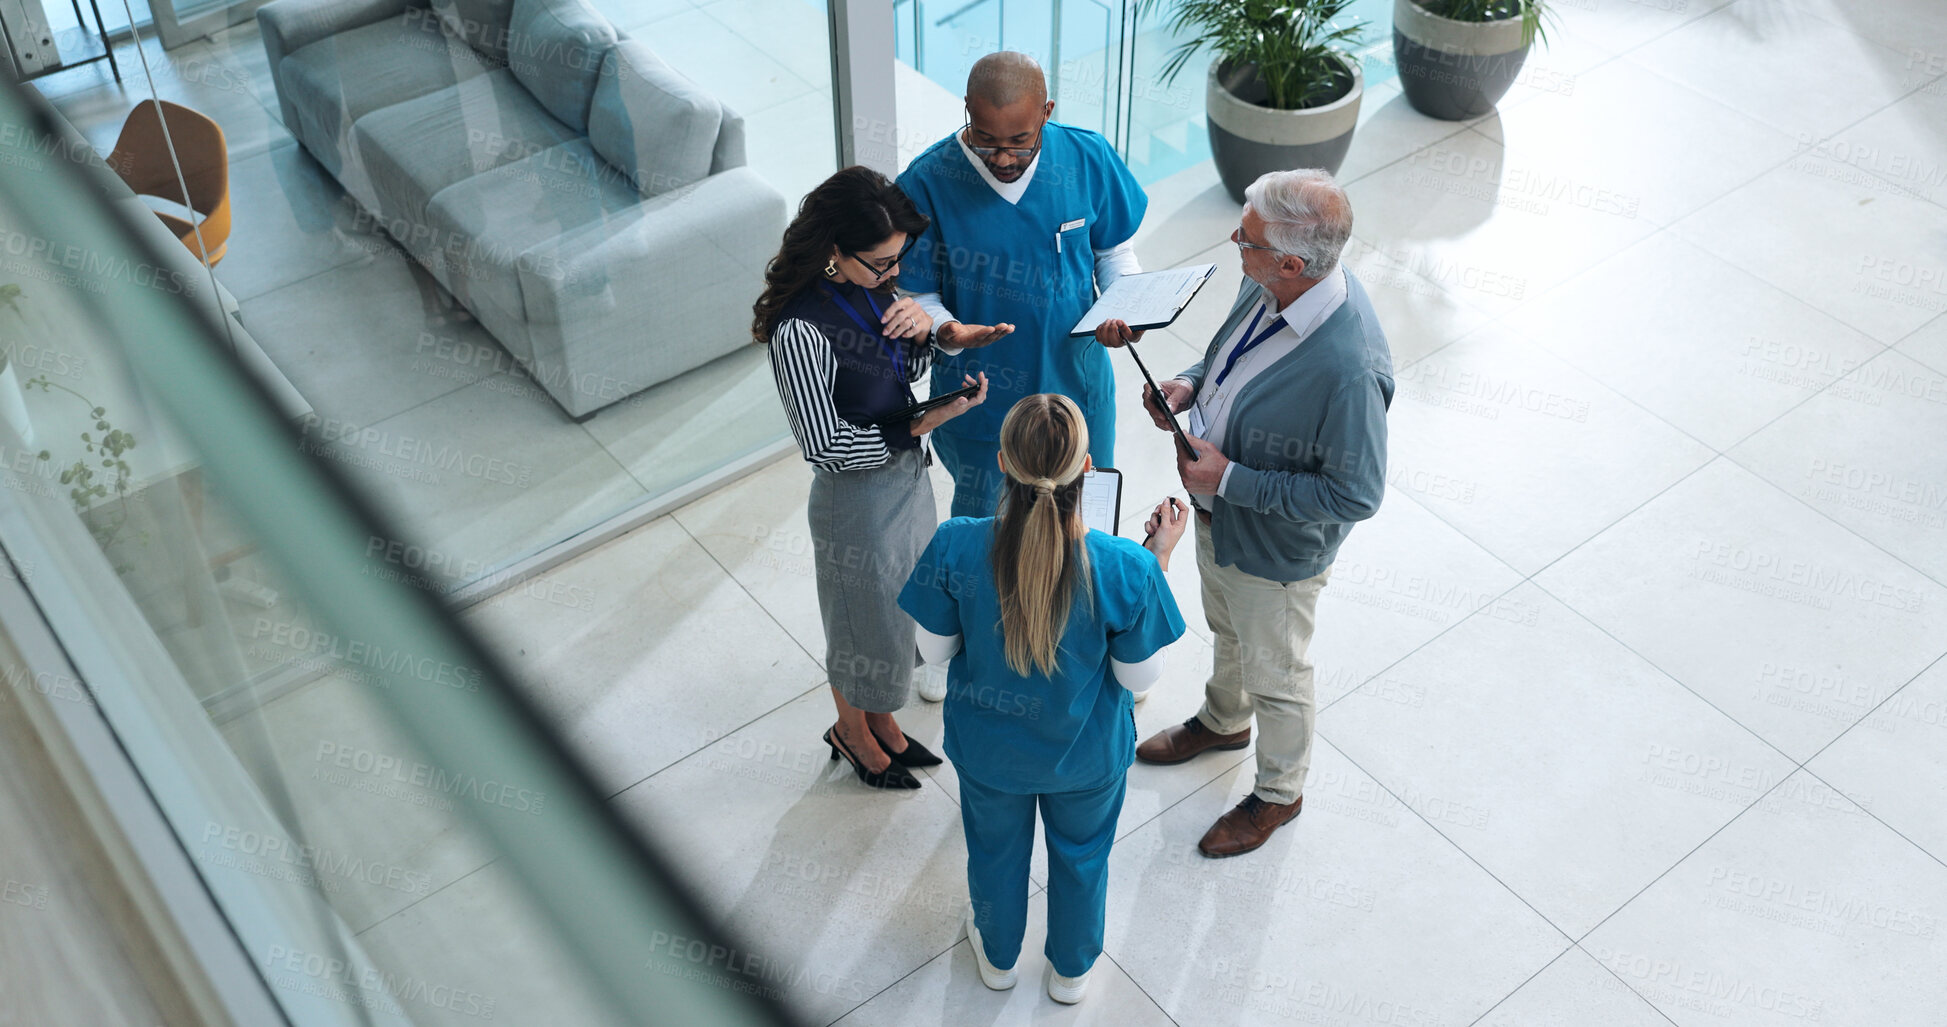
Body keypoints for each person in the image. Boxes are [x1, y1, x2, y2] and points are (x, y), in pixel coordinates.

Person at [1132, 169, 1394, 858]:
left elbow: (1356, 494)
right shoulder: (1269, 280)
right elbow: (1230, 359)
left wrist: (1234, 479)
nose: (1230, 240)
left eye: (1242, 236)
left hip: (1274, 555)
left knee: (1276, 676)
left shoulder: (1347, 369)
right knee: (1227, 632)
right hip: (1218, 521)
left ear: (1288, 260)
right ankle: (1222, 721)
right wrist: (1188, 385)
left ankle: (1280, 793)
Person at [898, 394, 1188, 1003]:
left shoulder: (955, 544)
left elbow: (934, 652)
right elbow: (1138, 681)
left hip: (990, 754)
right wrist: (1157, 558)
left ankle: (998, 957)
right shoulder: (1127, 566)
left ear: (1002, 463)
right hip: (1085, 759)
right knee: (1083, 856)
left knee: (994, 849)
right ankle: (1072, 972)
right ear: (1087, 471)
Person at [753, 166, 990, 790]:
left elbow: (897, 370)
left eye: (897, 262)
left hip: (906, 477)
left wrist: (925, 333)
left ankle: (882, 720)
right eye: (882, 263)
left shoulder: (868, 289)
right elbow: (825, 445)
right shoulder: (799, 329)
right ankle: (851, 732)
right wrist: (916, 427)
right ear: (835, 250)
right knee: (860, 622)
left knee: (899, 612)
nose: (893, 275)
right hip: (855, 496)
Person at [897, 50, 1149, 519]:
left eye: (1020, 141)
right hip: (982, 403)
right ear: (968, 109)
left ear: (1047, 112)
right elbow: (918, 295)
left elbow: (1112, 252)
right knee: (992, 539)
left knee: (1084, 525)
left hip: (1077, 385)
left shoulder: (1086, 157)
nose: (1005, 157)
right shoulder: (927, 182)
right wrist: (945, 331)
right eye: (987, 140)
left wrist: (1123, 306)